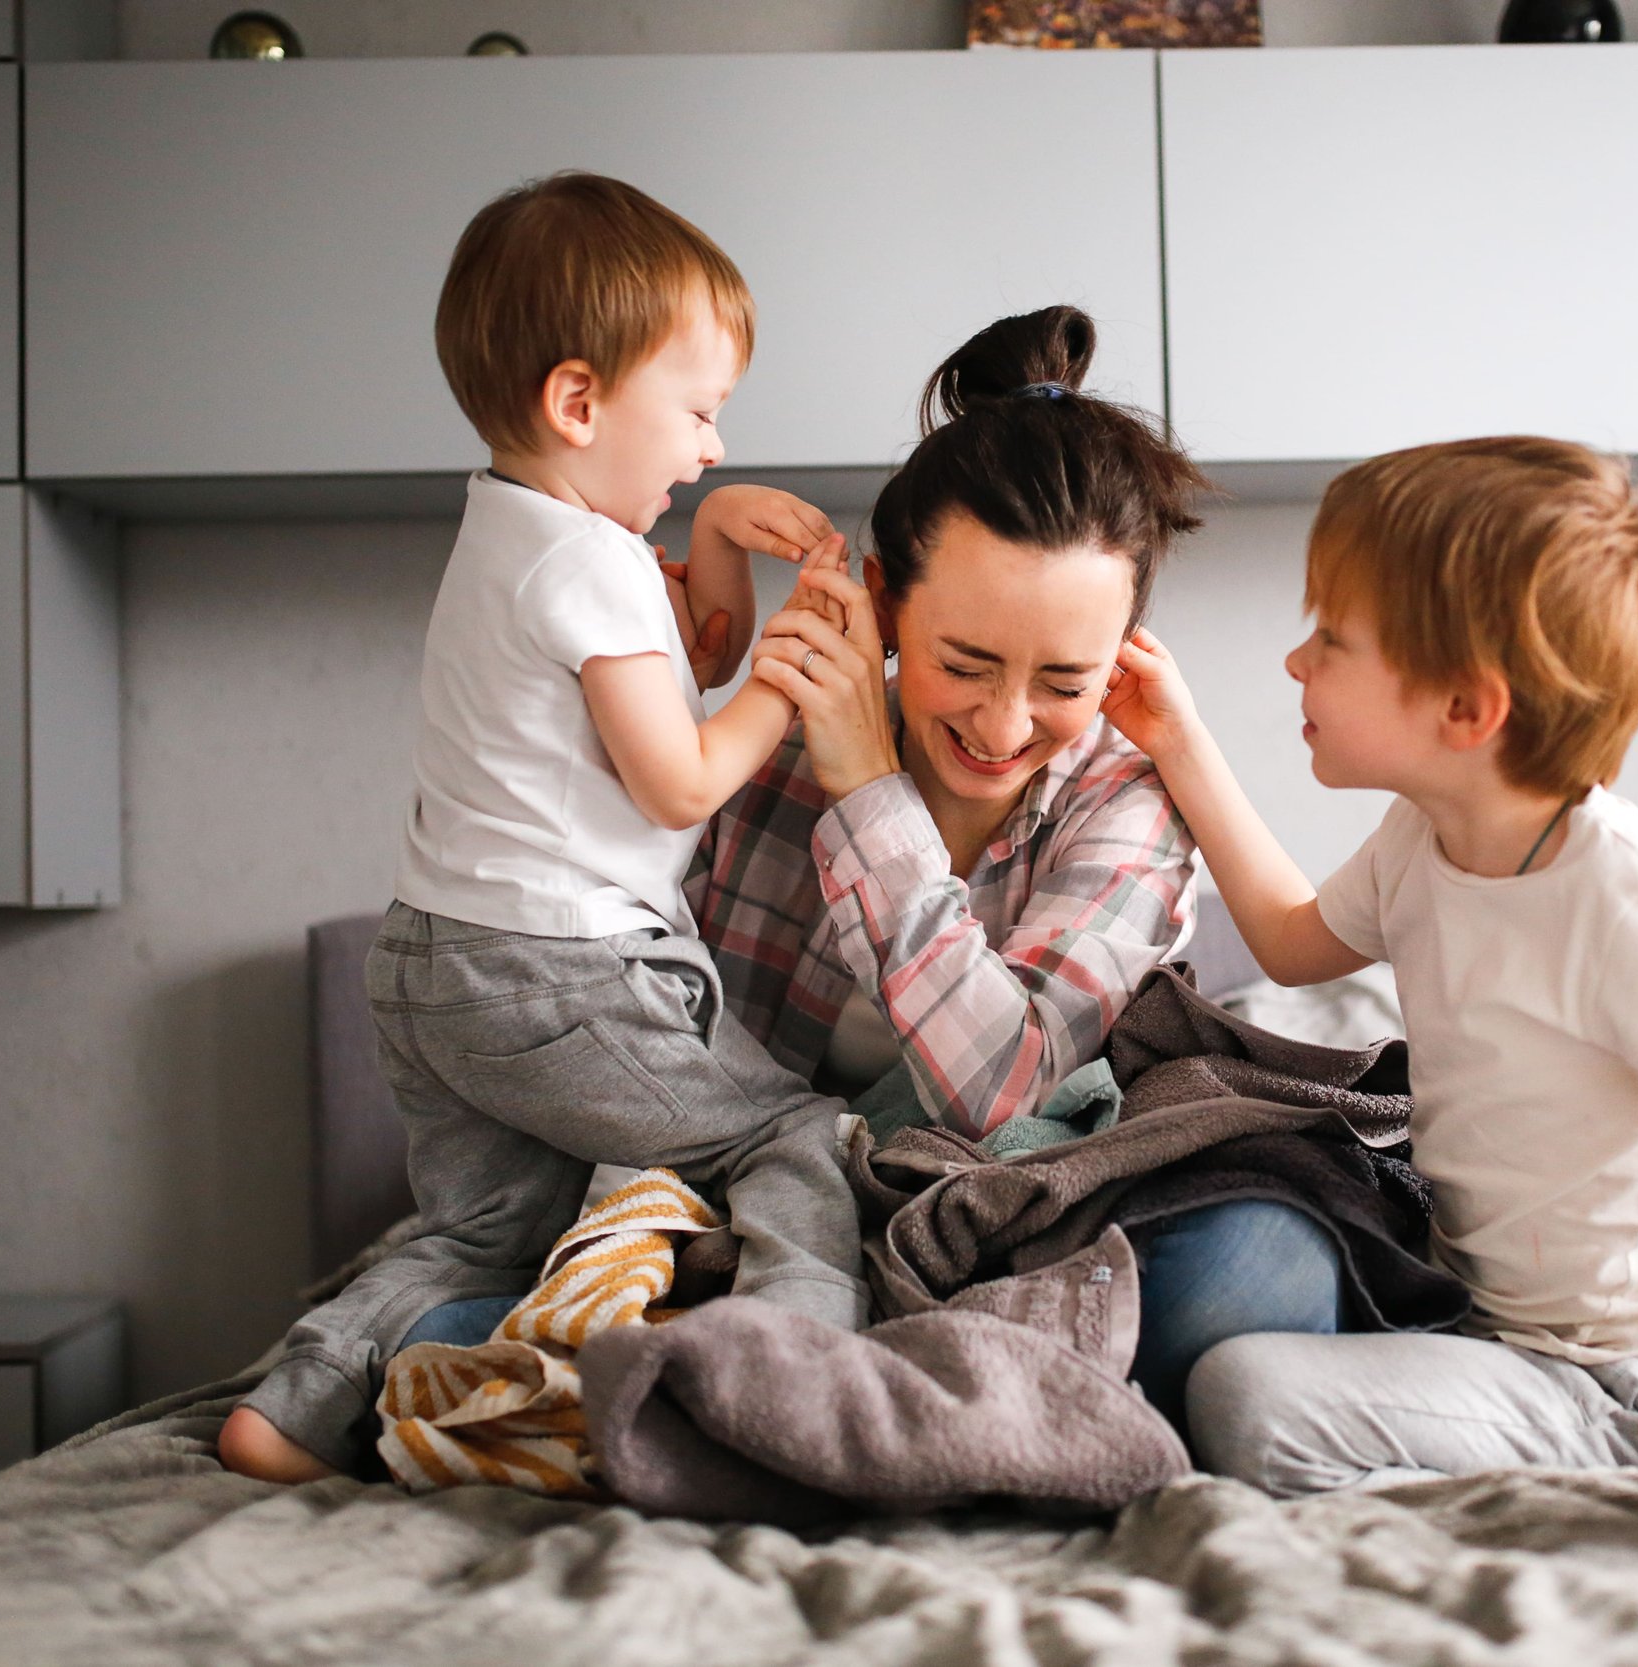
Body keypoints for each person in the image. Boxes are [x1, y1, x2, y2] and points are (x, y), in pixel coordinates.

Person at [402, 306, 1339, 1424]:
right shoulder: (762, 739)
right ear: (887, 599)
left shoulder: (1130, 795)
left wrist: (868, 798)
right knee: (452, 1316)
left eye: (1062, 681)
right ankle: (842, 1379)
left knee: (1261, 1267)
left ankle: (774, 1380)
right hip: (751, 1214)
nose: (1002, 722)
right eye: (966, 662)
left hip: (997, 1214)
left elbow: (1010, 1099)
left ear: (1124, 653)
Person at [1100, 437, 1638, 1522]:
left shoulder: (1628, 903)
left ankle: (1612, 1477)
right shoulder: (1425, 832)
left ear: (1466, 709)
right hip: (1474, 1313)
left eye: (1332, 639)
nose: (1295, 662)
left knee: (1243, 1392)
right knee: (1233, 1262)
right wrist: (1177, 737)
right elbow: (1291, 943)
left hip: (1614, 1381)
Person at [220, 172, 866, 1484]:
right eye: (697, 413)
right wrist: (788, 685)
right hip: (553, 970)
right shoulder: (589, 564)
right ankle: (795, 1379)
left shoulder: (513, 533)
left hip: (429, 965)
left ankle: (291, 1404)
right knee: (790, 1132)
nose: (710, 449)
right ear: (580, 401)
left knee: (483, 1229)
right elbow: (680, 777)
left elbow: (671, 666)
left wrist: (724, 546)